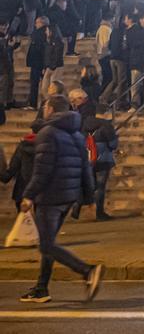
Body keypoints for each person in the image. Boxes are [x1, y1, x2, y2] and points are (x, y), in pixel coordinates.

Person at [19, 94, 104, 304]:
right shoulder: (75, 133)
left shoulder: (48, 133)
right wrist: (89, 196)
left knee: (47, 245)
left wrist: (28, 195)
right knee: (49, 243)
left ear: (50, 109)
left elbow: (42, 170)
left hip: (49, 196)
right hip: (68, 196)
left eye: (45, 106)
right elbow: (85, 167)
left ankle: (87, 271)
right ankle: (41, 288)